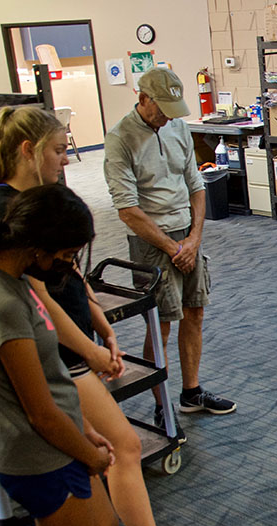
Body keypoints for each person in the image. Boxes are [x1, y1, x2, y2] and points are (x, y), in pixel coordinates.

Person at [0, 106, 224, 526]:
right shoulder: (13, 253)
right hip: (55, 373)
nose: (65, 160)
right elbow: (38, 313)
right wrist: (89, 353)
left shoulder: (41, 212)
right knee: (118, 451)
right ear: (28, 150)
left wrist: (96, 318)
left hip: (68, 361)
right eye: (60, 151)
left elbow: (64, 282)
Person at [103, 68, 235, 430]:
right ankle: (161, 403)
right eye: (161, 108)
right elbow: (128, 209)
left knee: (194, 313)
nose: (166, 116)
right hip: (151, 242)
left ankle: (191, 393)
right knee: (160, 324)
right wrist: (173, 247)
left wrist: (193, 239)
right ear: (142, 97)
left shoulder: (177, 127)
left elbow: (196, 184)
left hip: (187, 238)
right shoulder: (120, 139)